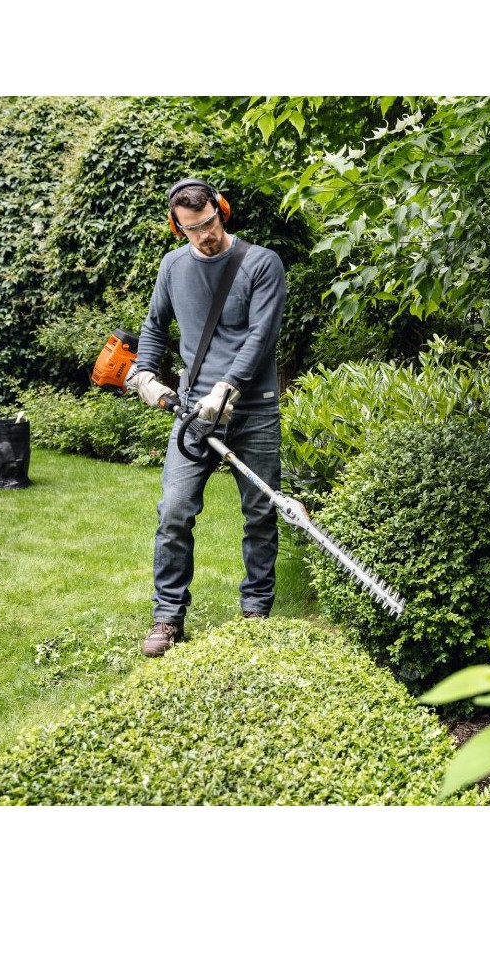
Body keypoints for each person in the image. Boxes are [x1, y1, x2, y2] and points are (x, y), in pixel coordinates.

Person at [127, 178, 286, 656]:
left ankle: (255, 612)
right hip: (194, 412)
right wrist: (145, 374)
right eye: (192, 229)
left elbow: (261, 335)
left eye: (210, 223)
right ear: (178, 228)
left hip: (253, 410)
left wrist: (228, 386)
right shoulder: (173, 266)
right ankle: (167, 618)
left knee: (259, 514)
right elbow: (155, 326)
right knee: (174, 511)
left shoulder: (261, 263)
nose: (205, 236)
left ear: (222, 211)